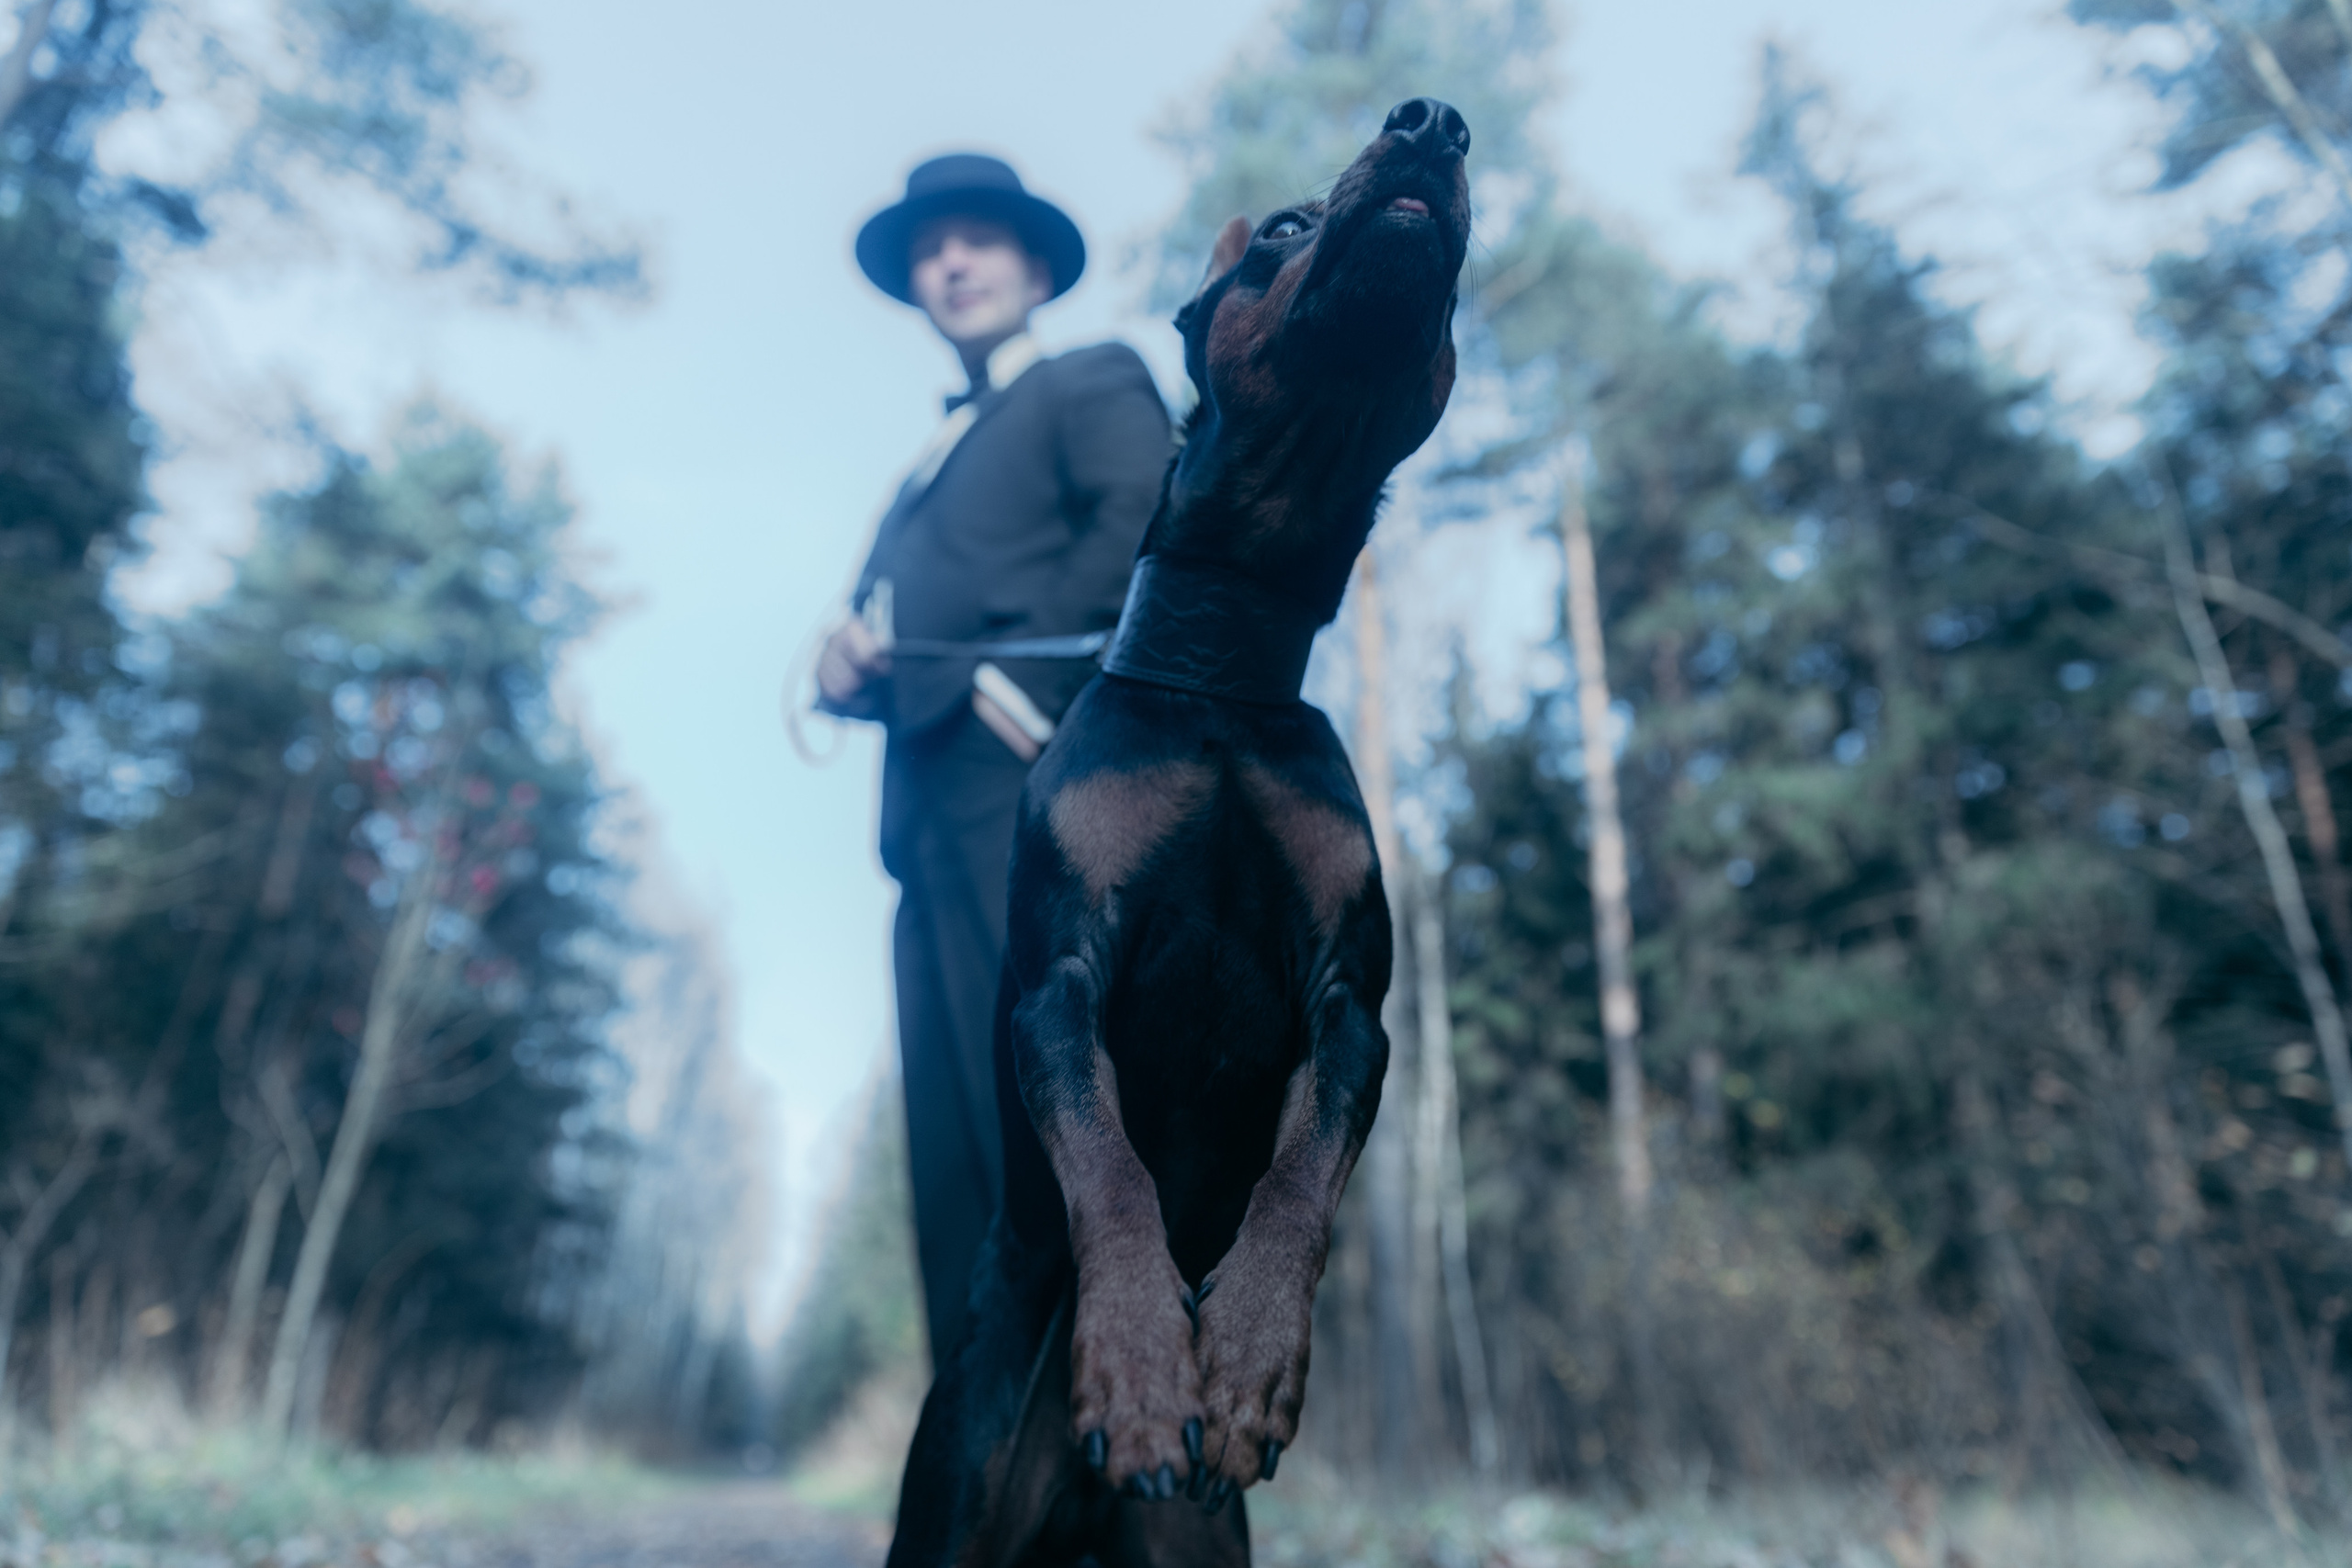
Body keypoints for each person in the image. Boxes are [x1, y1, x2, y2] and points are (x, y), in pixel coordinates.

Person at [814, 152, 1171, 1365]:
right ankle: (977, 1441)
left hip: (1025, 795)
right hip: (920, 828)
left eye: (975, 240)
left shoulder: (1090, 379)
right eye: (930, 249)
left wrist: (1020, 698)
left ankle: (1099, 1431)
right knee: (951, 1147)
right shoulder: (926, 464)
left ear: (1033, 267)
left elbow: (1149, 522)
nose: (951, 264)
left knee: (1040, 1111)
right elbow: (890, 616)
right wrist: (845, 665)